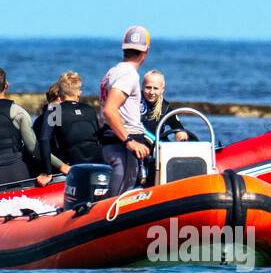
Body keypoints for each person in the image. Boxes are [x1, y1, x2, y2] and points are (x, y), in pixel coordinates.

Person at [0, 66, 52, 190]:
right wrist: (60, 166)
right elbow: (33, 148)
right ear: (6, 86)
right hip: (19, 175)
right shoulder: (18, 111)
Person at [97, 25, 152, 196]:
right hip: (124, 146)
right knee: (119, 200)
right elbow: (109, 110)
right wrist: (129, 141)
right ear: (145, 52)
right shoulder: (129, 75)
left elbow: (102, 113)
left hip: (109, 142)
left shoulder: (113, 72)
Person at [38, 71, 102, 175]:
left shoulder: (55, 110)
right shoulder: (89, 109)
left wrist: (47, 172)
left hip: (71, 166)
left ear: (60, 93)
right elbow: (98, 139)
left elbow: (44, 139)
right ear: (78, 93)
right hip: (96, 163)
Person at [139, 70, 190, 145]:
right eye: (148, 87)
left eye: (155, 88)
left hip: (156, 147)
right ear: (142, 86)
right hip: (134, 145)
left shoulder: (165, 108)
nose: (151, 92)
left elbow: (178, 128)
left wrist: (181, 136)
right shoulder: (132, 101)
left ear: (162, 90)